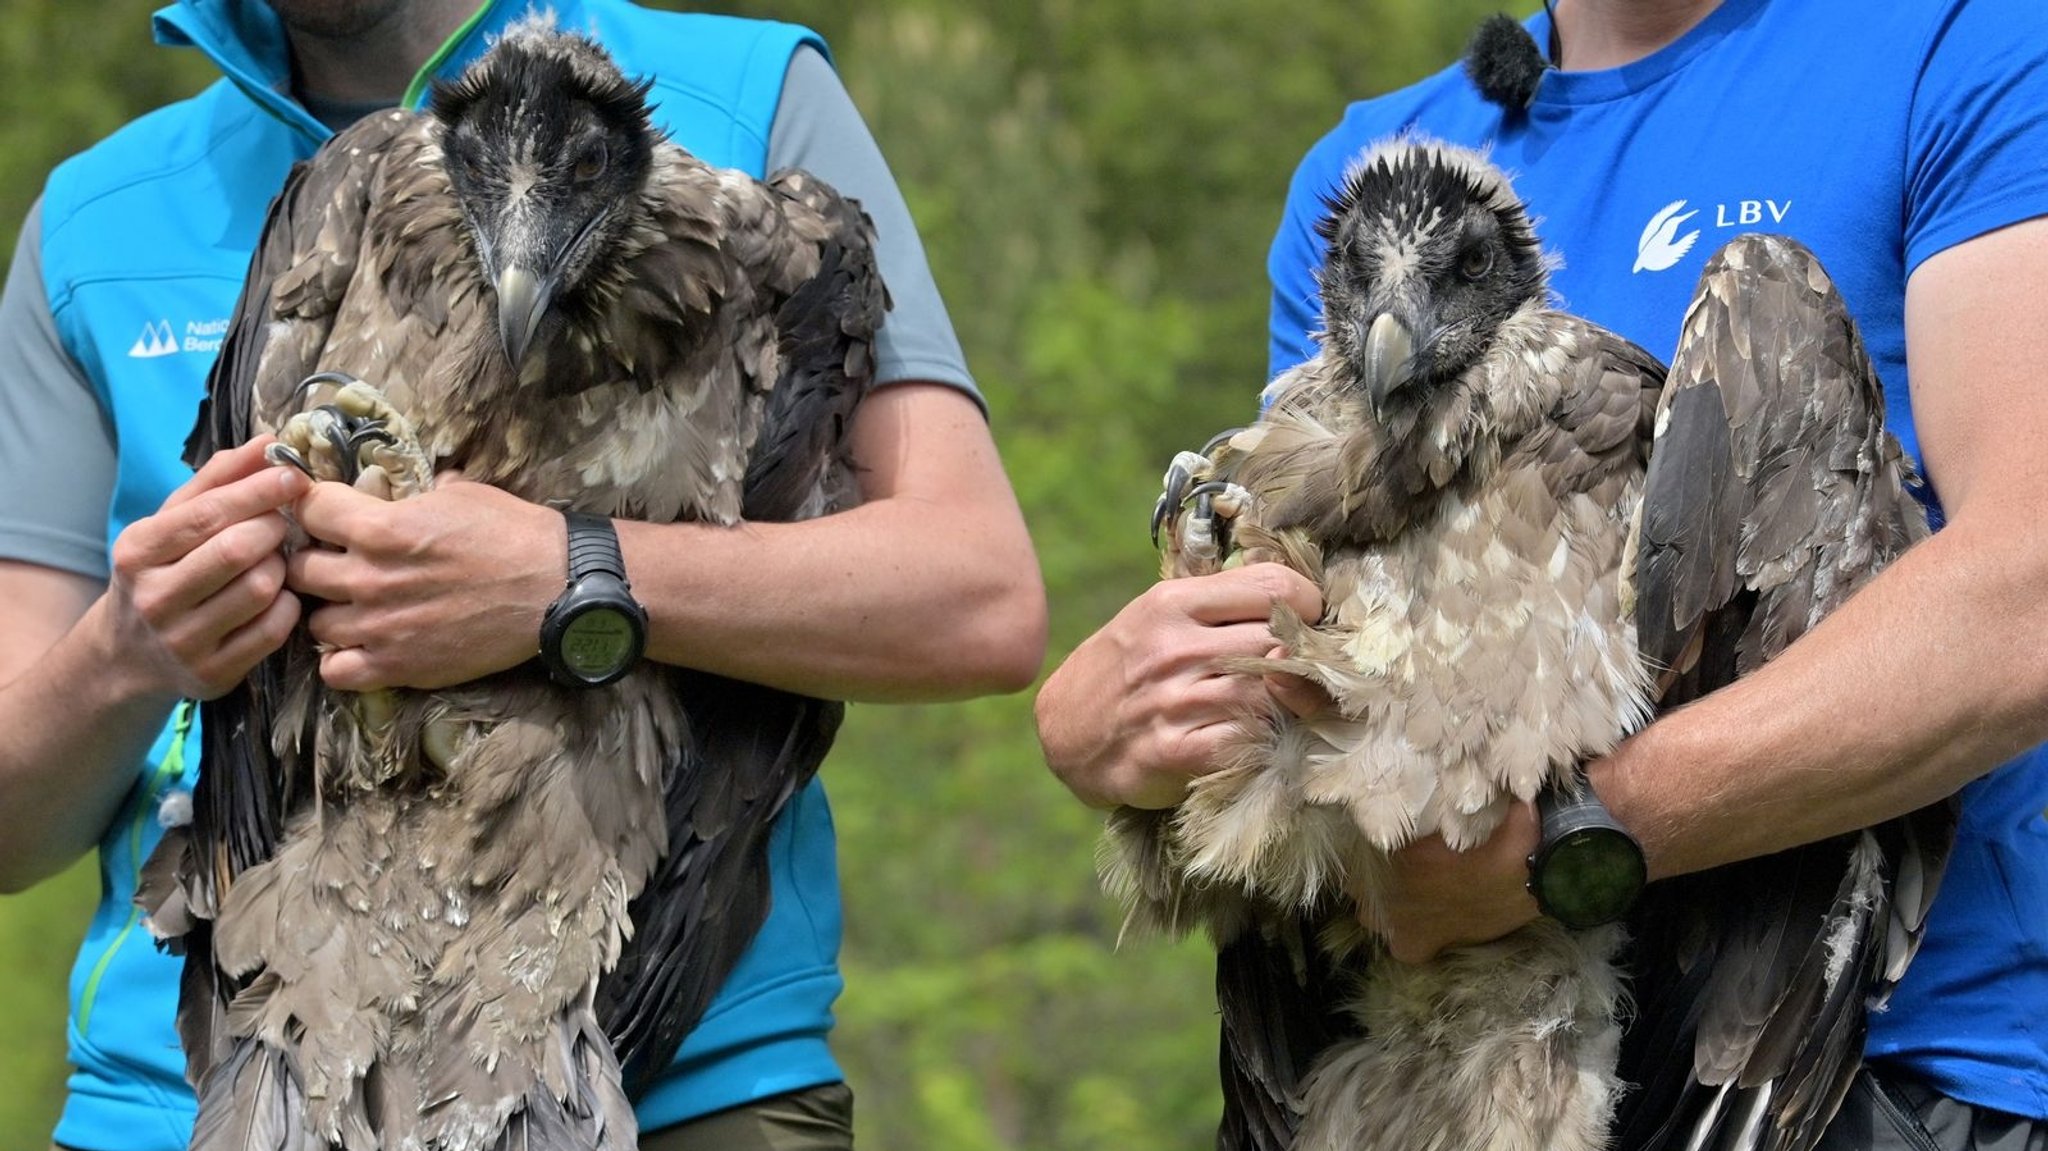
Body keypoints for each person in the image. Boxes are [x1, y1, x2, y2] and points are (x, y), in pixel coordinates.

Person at [0, 1, 1047, 1149]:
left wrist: (573, 575)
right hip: (222, 1073)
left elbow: (974, 600)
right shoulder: (97, 220)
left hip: (674, 1076)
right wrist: (126, 654)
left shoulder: (747, 94)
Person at [1036, 0, 2048, 1145]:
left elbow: (2032, 589)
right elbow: (1326, 660)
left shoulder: (1963, 44)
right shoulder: (1378, 161)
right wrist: (1105, 732)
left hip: (1841, 1065)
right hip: (1420, 1062)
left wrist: (1572, 842)